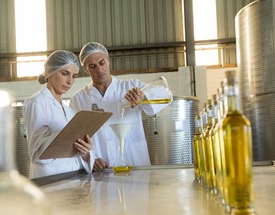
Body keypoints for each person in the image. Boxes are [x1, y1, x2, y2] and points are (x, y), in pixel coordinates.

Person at [68, 42, 170, 171]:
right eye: (92, 66)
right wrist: (90, 158)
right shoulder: (78, 100)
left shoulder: (131, 86)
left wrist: (143, 96)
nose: (99, 70)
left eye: (102, 62)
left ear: (108, 61)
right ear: (86, 69)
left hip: (134, 163)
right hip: (102, 169)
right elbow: (74, 140)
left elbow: (165, 94)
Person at [23, 50, 95, 178]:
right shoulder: (36, 103)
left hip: (74, 176)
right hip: (50, 179)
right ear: (50, 71)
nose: (70, 81)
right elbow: (36, 154)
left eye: (74, 76)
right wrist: (64, 135)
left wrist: (85, 152)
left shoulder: (69, 111)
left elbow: (77, 153)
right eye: (65, 73)